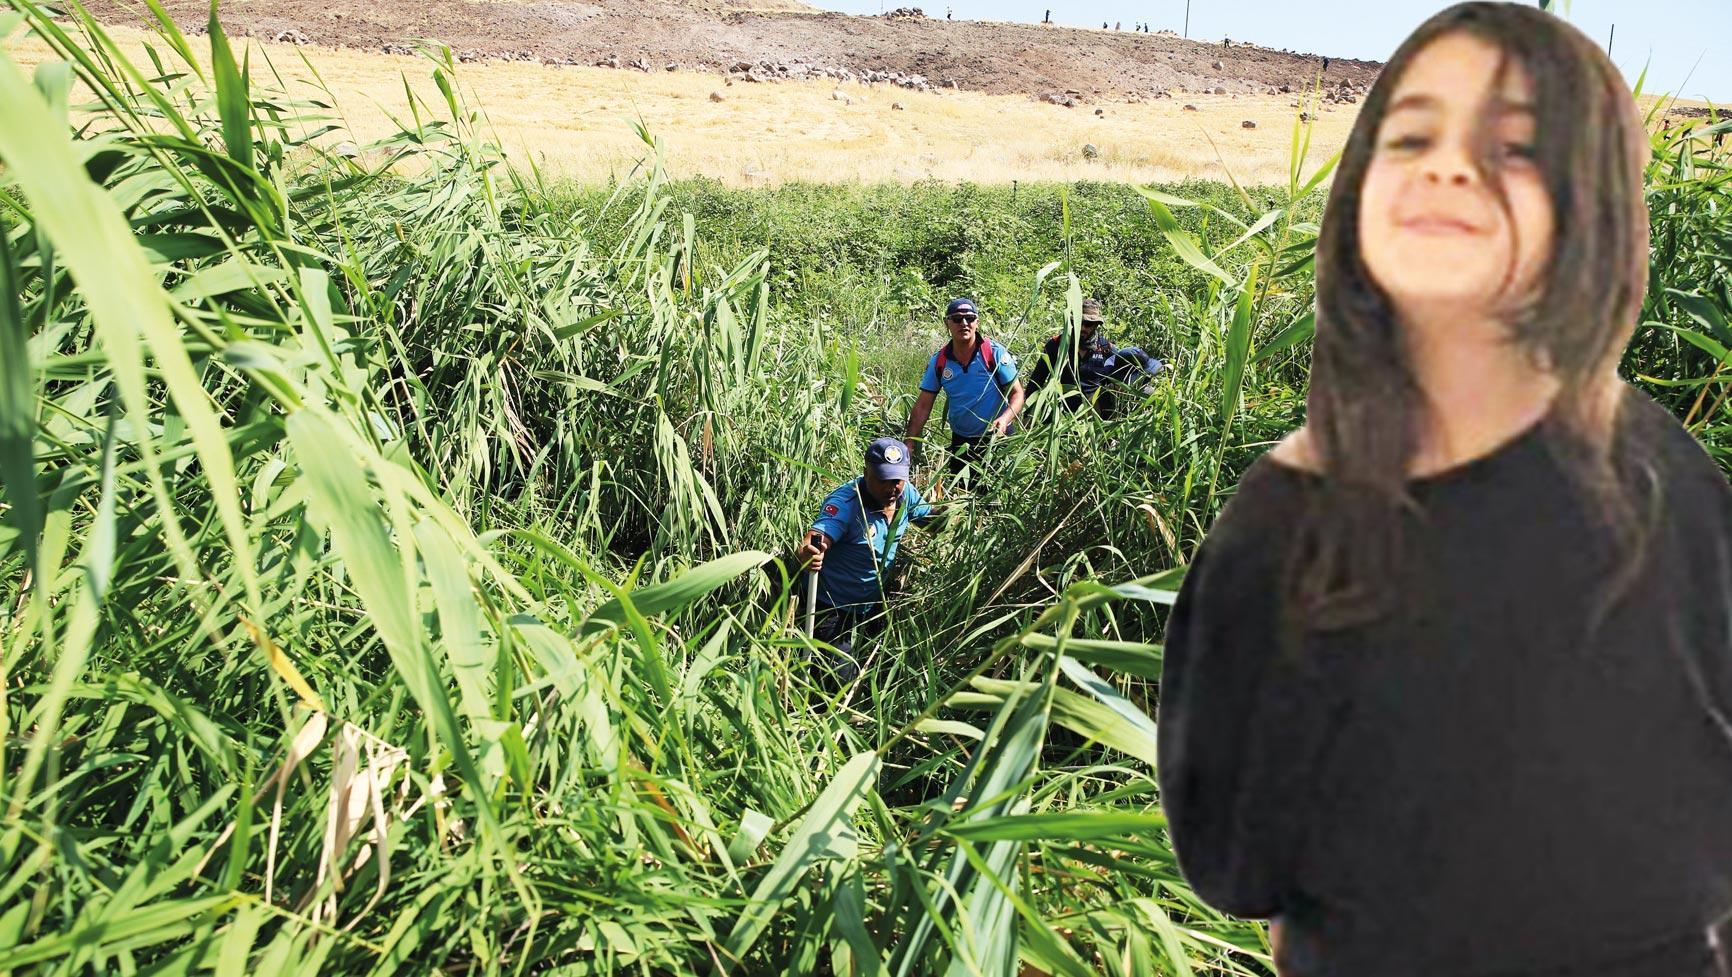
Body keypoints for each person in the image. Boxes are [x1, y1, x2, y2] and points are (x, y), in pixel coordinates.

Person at [1155, 4, 1732, 976]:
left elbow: (1241, 865)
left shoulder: (1667, 483)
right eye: (1412, 134)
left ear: (1587, 206)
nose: (1447, 167)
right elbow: (1237, 858)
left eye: (1511, 147)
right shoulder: (1662, 465)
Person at [792, 437, 936, 684]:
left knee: (877, 666)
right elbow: (817, 537)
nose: (891, 488)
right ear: (865, 472)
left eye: (897, 480)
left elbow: (932, 522)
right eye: (882, 480)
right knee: (837, 680)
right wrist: (809, 553)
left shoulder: (906, 494)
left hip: (872, 602)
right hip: (831, 607)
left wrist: (962, 510)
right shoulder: (846, 503)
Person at [906, 298, 1025, 485]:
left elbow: (1017, 394)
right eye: (957, 319)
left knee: (996, 499)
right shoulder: (940, 361)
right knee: (962, 494)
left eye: (969, 318)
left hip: (997, 438)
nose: (964, 323)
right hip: (962, 442)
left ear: (977, 322)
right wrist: (909, 443)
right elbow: (922, 406)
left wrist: (1004, 419)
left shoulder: (993, 353)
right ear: (947, 323)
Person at [1026, 297, 1162, 418]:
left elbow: (1117, 383)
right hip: (1060, 411)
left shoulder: (1106, 349)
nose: (1083, 328)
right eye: (1079, 322)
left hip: (1093, 412)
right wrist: (1029, 413)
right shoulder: (1056, 346)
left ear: (1096, 325)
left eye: (1088, 324)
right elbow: (1036, 380)